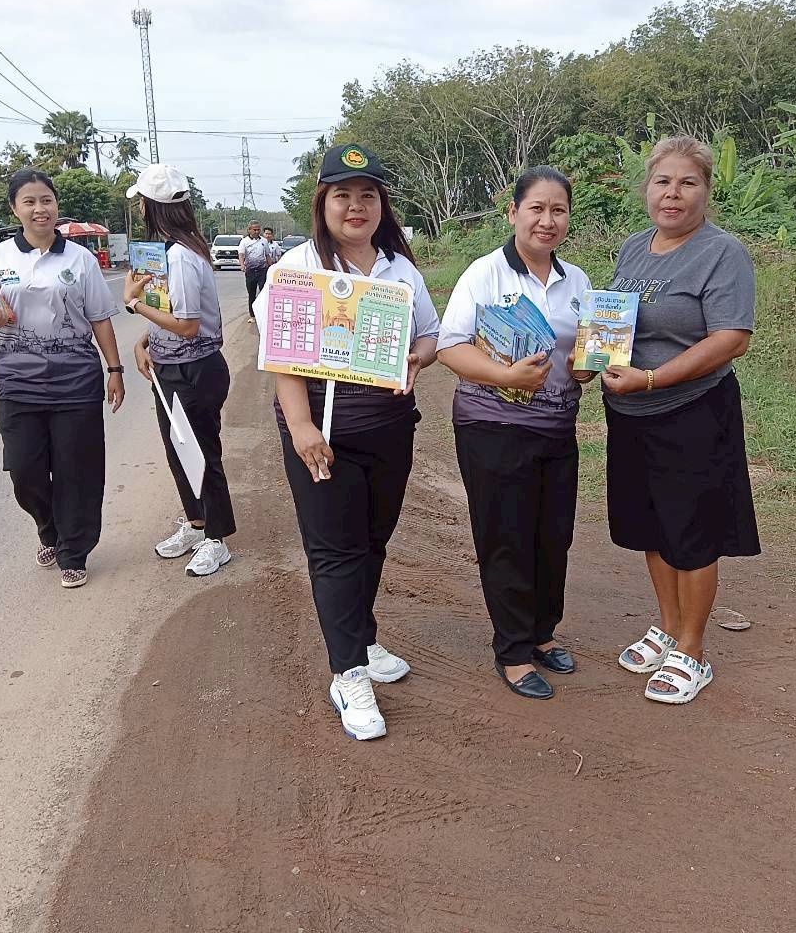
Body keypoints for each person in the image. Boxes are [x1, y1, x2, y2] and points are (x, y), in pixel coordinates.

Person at [255, 143, 439, 741]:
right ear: (323, 202)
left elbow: (430, 336)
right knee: (335, 551)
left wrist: (417, 357)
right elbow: (282, 357)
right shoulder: (296, 268)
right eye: (343, 195)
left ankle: (361, 637)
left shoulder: (399, 270)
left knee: (372, 541)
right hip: (324, 435)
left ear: (382, 204)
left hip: (389, 429)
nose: (356, 206)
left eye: (368, 195)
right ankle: (348, 673)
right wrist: (302, 428)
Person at [601, 134, 760, 704]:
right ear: (647, 188)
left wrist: (652, 378)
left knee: (692, 531)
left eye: (687, 182)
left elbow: (731, 338)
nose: (673, 193)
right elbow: (614, 325)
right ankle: (668, 627)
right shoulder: (633, 249)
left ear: (706, 191)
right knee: (652, 525)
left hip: (692, 412)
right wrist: (593, 361)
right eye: (663, 181)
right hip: (630, 413)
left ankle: (693, 649)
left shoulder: (722, 253)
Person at [436, 166, 596, 700]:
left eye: (558, 210)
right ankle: (512, 652)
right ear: (513, 213)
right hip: (492, 427)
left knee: (554, 535)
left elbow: (586, 354)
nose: (547, 221)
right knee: (506, 536)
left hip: (556, 428)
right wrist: (505, 376)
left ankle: (543, 633)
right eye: (537, 209)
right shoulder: (485, 274)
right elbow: (450, 347)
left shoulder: (577, 282)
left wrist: (585, 369)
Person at [0, 169, 125, 590]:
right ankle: (49, 528)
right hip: (16, 379)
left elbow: (100, 317)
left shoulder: (79, 259)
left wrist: (115, 370)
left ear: (56, 205)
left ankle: (73, 551)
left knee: (77, 469)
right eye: (30, 201)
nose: (40, 209)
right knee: (24, 469)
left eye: (46, 200)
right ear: (15, 209)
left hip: (75, 380)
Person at [124, 163, 237, 577]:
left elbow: (188, 327)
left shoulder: (183, 258)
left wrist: (134, 303)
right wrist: (143, 342)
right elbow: (171, 318)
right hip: (170, 368)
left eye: (141, 201)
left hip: (196, 370)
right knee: (179, 451)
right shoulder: (171, 251)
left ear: (150, 206)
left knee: (202, 454)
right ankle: (196, 523)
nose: (139, 207)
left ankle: (217, 541)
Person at [239, 220, 266, 323]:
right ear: (249, 230)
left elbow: (267, 255)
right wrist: (242, 265)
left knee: (263, 292)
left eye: (258, 230)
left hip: (262, 271)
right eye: (254, 230)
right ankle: (252, 315)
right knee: (252, 293)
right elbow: (241, 254)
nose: (257, 232)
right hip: (250, 271)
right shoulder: (244, 242)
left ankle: (263, 313)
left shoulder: (263, 241)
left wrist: (272, 267)